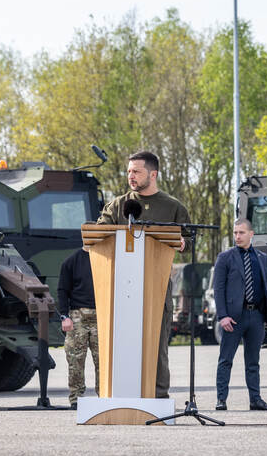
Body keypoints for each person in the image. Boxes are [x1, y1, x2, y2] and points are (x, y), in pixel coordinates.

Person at [97, 151, 188, 399]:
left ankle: (158, 397)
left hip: (156, 286)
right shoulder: (118, 205)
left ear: (153, 174)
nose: (131, 176)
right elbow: (98, 234)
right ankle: (119, 395)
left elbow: (188, 239)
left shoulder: (173, 207)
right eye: (129, 171)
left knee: (156, 344)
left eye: (136, 171)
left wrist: (183, 243)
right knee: (121, 342)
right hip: (121, 287)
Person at [213, 219, 267, 411]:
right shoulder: (225, 258)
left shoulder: (262, 258)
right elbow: (218, 289)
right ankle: (221, 399)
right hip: (234, 318)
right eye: (235, 233)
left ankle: (255, 400)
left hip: (256, 316)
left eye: (241, 232)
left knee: (253, 362)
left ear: (251, 234)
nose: (237, 236)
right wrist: (222, 316)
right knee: (226, 360)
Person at [58, 244, 100, 408]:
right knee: (75, 360)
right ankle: (76, 398)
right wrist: (64, 316)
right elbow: (62, 290)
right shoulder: (71, 262)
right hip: (78, 316)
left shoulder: (105, 259)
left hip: (102, 316)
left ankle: (105, 396)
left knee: (104, 360)